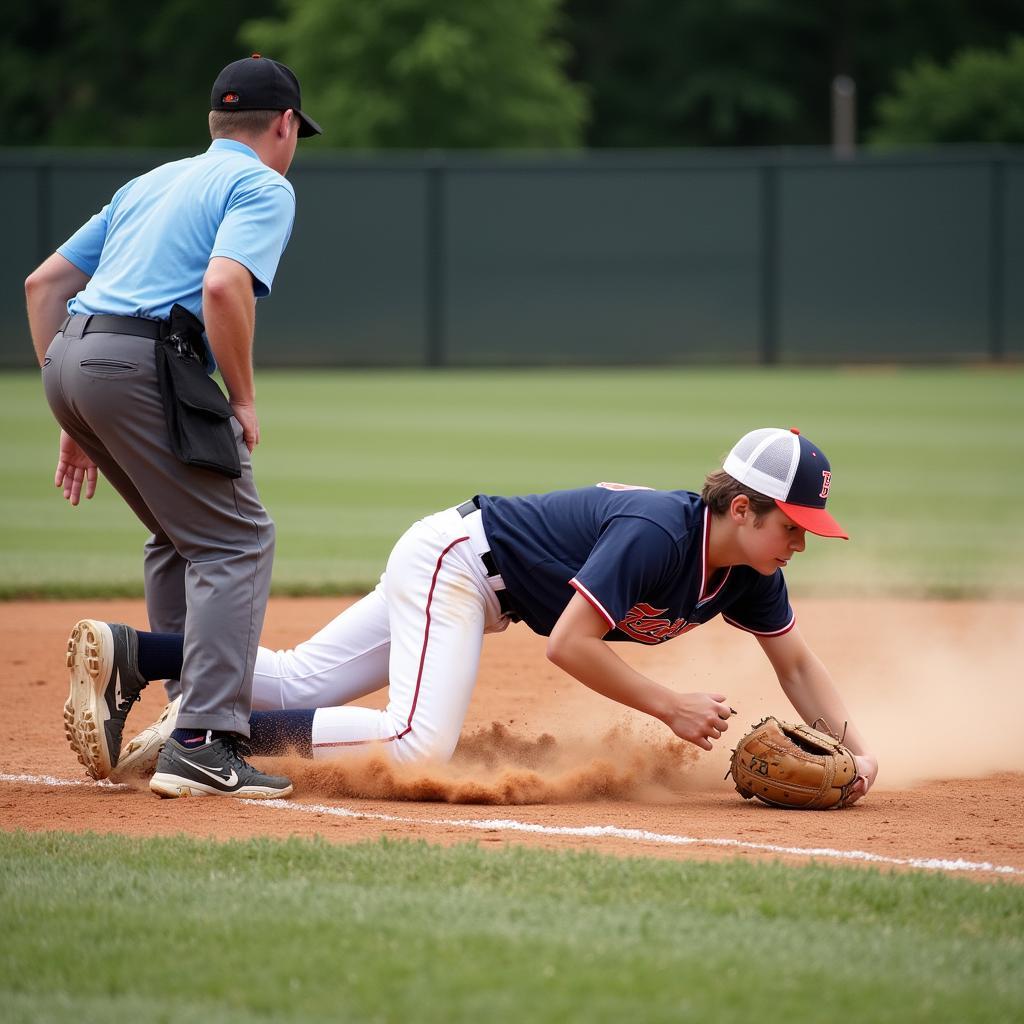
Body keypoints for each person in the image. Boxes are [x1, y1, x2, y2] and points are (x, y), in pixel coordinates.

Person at [76, 427, 879, 803]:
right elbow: (569, 645)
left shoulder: (748, 572)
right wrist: (669, 706)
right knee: (419, 740)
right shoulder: (660, 535)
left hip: (459, 567)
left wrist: (857, 752)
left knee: (291, 675)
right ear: (741, 509)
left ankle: (137, 653)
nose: (801, 544)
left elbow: (798, 664)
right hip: (458, 565)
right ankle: (221, 736)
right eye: (793, 527)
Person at [28, 55, 322, 801]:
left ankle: (183, 712)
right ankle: (201, 741)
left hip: (73, 357)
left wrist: (74, 405)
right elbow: (224, 285)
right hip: (144, 363)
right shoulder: (262, 182)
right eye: (297, 131)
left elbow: (46, 284)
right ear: (284, 124)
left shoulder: (151, 181)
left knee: (179, 535)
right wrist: (245, 397)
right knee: (237, 539)